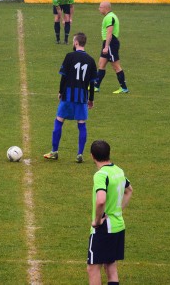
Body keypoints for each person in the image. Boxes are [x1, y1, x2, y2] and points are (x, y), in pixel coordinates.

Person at [44, 32, 97, 163]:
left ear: (76, 43)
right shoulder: (91, 60)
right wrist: (91, 99)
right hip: (81, 97)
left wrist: (60, 91)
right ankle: (80, 154)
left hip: (68, 95)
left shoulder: (69, 56)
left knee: (59, 121)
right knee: (81, 124)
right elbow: (92, 83)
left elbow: (64, 76)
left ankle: (54, 152)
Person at [87, 140, 133, 285]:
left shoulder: (101, 175)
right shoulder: (118, 171)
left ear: (92, 156)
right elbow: (129, 190)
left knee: (93, 268)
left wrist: (97, 220)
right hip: (118, 225)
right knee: (111, 266)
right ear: (109, 154)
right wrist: (118, 210)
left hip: (104, 228)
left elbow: (101, 200)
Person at [94, 1, 129, 94]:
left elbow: (109, 33)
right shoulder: (109, 16)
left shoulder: (110, 17)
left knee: (116, 66)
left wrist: (106, 46)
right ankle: (96, 86)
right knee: (101, 64)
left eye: (100, 7)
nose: (99, 9)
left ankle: (124, 88)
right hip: (108, 43)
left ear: (105, 8)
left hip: (110, 43)